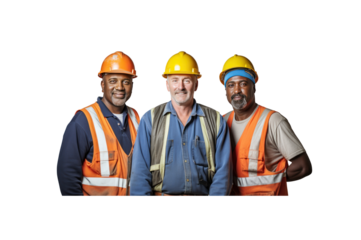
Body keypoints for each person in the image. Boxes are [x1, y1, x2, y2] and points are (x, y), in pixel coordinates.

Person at [130, 49, 232, 198]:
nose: (181, 87)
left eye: (187, 80)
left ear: (197, 85)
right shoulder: (150, 118)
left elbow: (224, 173)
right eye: (175, 80)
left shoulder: (215, 118)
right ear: (167, 85)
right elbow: (139, 172)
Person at [219, 53, 313, 198]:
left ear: (253, 86)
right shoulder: (222, 121)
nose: (237, 90)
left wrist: (273, 184)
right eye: (231, 85)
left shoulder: (272, 120)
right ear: (225, 89)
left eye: (243, 83)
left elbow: (303, 167)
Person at [57, 49, 140, 198]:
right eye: (113, 81)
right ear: (102, 84)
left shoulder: (138, 118)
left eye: (126, 81)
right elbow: (67, 175)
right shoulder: (83, 121)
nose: (120, 87)